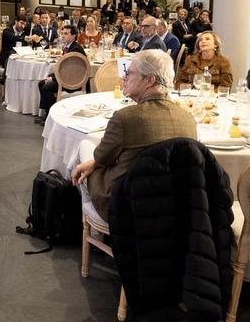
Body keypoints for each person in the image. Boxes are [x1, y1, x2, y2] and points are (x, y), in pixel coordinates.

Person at [71, 49, 196, 220]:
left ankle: (89, 224)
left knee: (83, 149)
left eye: (129, 73)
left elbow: (101, 157)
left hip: (126, 205)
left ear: (150, 81)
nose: (124, 78)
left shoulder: (125, 118)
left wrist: (96, 162)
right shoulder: (188, 118)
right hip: (173, 204)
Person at [36, 25, 85, 123]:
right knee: (41, 83)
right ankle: (47, 114)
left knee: (46, 88)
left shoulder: (76, 49)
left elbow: (71, 71)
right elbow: (64, 68)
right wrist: (53, 76)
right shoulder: (68, 47)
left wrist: (54, 79)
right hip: (65, 78)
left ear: (74, 36)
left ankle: (52, 116)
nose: (63, 36)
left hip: (73, 82)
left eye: (66, 34)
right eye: (62, 33)